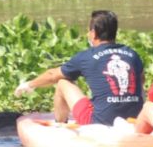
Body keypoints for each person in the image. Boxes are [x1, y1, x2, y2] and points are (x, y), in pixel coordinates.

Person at [14, 10, 144, 125]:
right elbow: (141, 81)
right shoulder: (132, 54)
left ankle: (60, 125)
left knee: (62, 82)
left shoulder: (86, 56)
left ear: (93, 34)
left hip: (100, 122)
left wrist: (30, 84)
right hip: (134, 119)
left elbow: (52, 75)